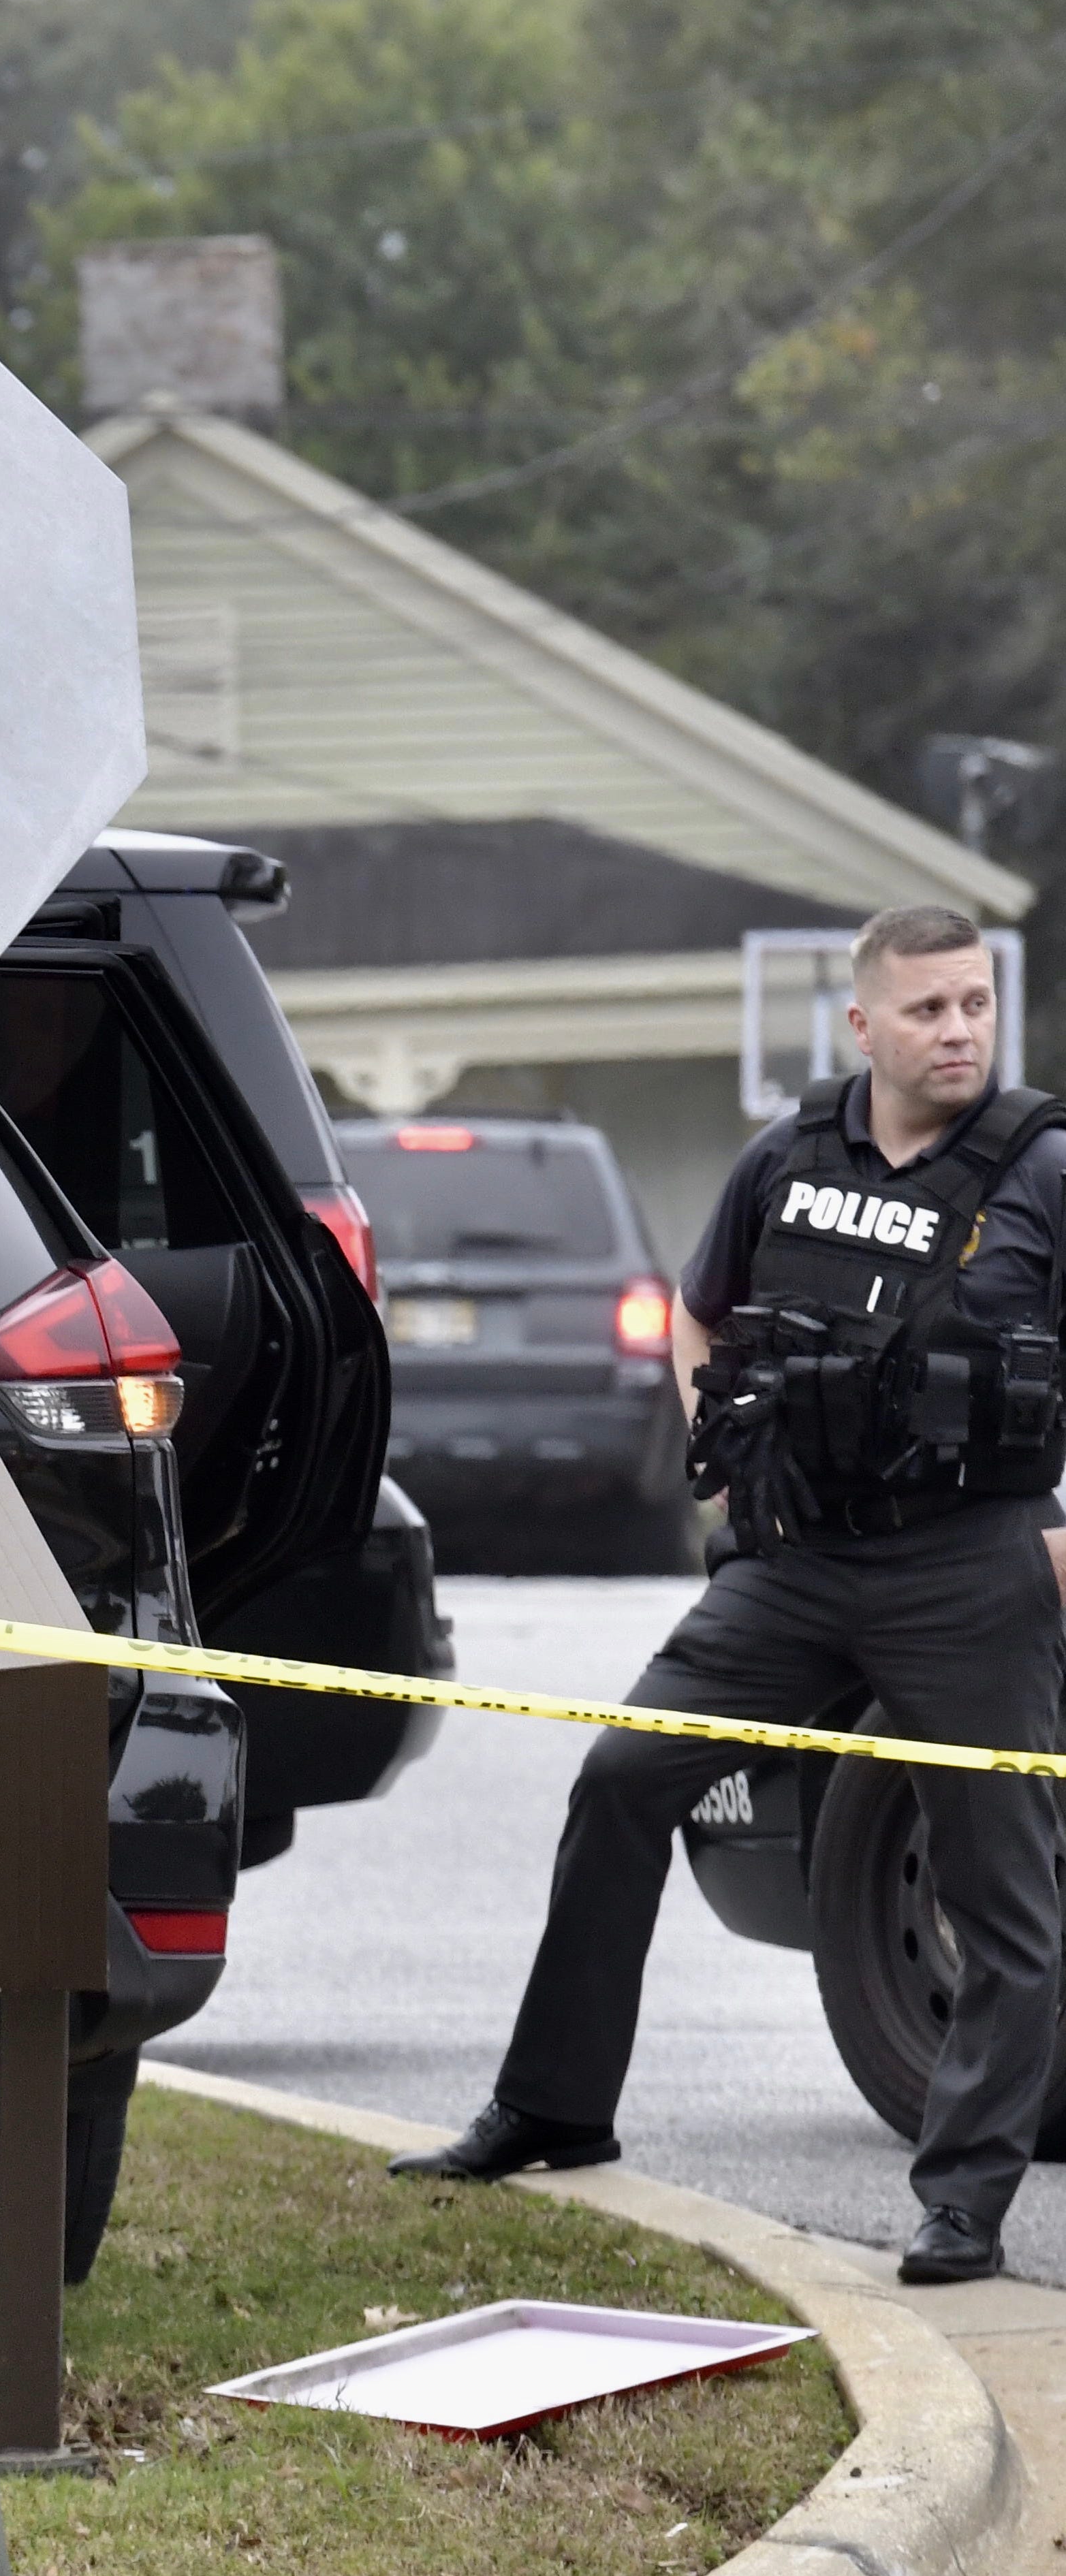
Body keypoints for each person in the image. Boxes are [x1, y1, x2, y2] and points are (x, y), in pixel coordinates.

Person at [396, 905, 1066, 2283]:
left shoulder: (1042, 1170)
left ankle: (961, 2205)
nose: (958, 1032)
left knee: (1004, 1896)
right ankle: (552, 2107)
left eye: (975, 1006)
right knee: (622, 1779)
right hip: (799, 1560)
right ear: (861, 1025)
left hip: (967, 1568)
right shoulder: (787, 1158)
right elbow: (700, 1305)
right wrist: (724, 1465)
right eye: (928, 1009)